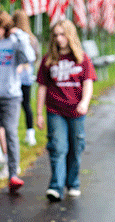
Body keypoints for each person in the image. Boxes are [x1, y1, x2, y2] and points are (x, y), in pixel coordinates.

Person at [36, 19, 95, 201]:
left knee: (76, 147)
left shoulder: (82, 58)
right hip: (55, 110)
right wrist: (39, 113)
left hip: (76, 111)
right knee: (58, 147)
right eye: (56, 35)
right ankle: (56, 186)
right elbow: (42, 87)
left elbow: (88, 83)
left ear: (70, 35)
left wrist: (84, 102)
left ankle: (73, 182)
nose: (59, 39)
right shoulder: (48, 60)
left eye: (62, 34)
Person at [0, 11, 33, 193]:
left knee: (10, 132)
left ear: (6, 27)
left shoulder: (14, 43)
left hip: (10, 96)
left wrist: (22, 38)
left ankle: (13, 174)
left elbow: (29, 58)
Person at [12, 8, 41, 146]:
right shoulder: (32, 38)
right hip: (27, 77)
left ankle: (17, 133)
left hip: (16, 77)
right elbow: (36, 57)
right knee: (26, 105)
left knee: (16, 106)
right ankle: (30, 134)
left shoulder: (16, 38)